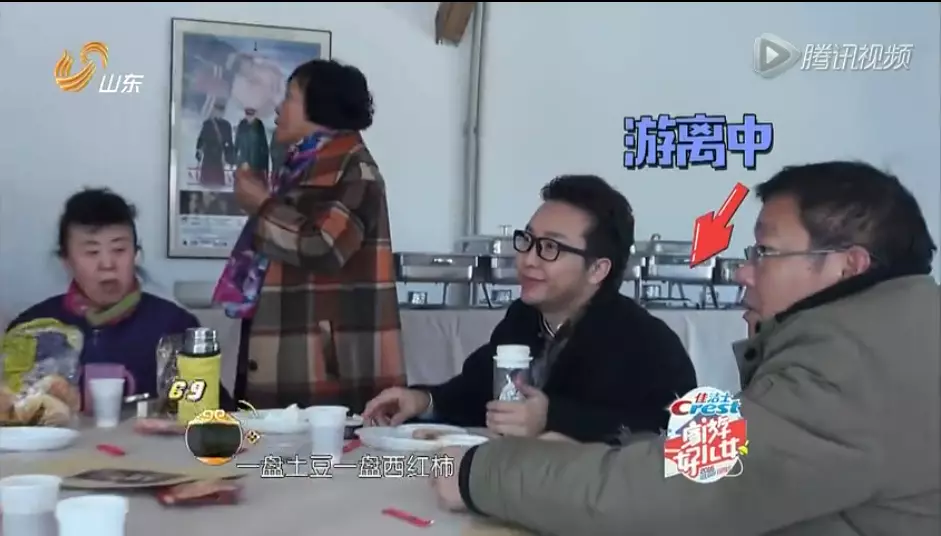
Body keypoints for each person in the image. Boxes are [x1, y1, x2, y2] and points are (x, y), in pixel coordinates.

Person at [431, 161, 940, 535]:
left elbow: (673, 485)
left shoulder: (849, 365)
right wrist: (425, 400)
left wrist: (481, 474)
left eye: (764, 252)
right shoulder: (891, 334)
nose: (744, 273)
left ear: (848, 265)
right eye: (527, 241)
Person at [364, 175, 697, 444]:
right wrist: (423, 401)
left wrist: (553, 419)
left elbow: (672, 432)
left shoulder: (647, 344)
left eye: (550, 247)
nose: (528, 259)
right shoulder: (524, 318)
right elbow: (476, 391)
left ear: (598, 269)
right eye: (528, 240)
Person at [213, 59, 404, 411]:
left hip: (322, 364)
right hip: (284, 345)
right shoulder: (301, 165)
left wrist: (262, 205)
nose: (279, 108)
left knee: (318, 444)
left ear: (320, 107)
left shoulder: (355, 169)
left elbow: (325, 246)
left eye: (289, 97)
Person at [5, 188, 235, 409]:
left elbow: (214, 412)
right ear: (66, 261)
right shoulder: (33, 328)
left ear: (135, 254)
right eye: (92, 252)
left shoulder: (174, 324)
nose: (107, 264)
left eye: (119, 250)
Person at [195, 103, 234, 187]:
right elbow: (201, 138)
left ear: (223, 113)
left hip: (219, 156)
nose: (219, 113)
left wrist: (230, 157)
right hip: (208, 154)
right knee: (206, 182)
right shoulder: (208, 124)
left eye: (221, 112)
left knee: (218, 182)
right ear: (214, 111)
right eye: (217, 111)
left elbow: (229, 142)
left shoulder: (226, 125)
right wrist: (198, 150)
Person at [234, 107, 270, 177]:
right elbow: (237, 144)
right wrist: (237, 160)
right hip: (243, 161)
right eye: (248, 115)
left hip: (256, 161)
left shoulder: (259, 125)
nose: (249, 118)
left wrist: (265, 166)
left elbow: (264, 145)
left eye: (251, 115)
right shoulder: (242, 125)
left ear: (254, 115)